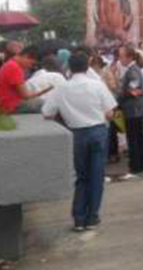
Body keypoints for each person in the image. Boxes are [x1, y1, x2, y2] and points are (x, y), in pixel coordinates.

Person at [41, 52, 117, 231]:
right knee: (96, 176)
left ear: (69, 68)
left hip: (76, 133)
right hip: (98, 130)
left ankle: (79, 217)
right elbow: (110, 112)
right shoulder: (97, 85)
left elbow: (47, 113)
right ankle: (92, 217)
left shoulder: (61, 88)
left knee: (81, 177)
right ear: (87, 66)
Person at [116, 45, 143, 180]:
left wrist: (120, 96)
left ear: (129, 57)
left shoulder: (132, 71)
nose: (119, 59)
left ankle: (136, 167)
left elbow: (133, 91)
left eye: (121, 56)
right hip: (135, 109)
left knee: (134, 138)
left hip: (134, 109)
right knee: (137, 137)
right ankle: (138, 166)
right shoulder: (132, 70)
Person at [0, 46, 53, 114]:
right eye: (32, 64)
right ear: (26, 56)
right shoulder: (14, 68)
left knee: (44, 102)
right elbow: (26, 96)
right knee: (48, 104)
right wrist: (45, 90)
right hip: (12, 107)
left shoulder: (10, 64)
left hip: (6, 105)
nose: (31, 67)